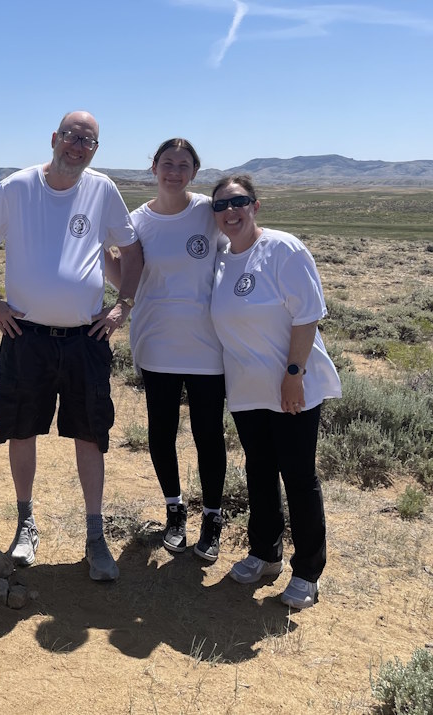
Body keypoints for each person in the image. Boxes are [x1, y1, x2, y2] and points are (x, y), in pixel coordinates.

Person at [0, 110, 143, 581]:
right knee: (22, 429)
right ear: (55, 138)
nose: (78, 147)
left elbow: (132, 250)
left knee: (90, 434)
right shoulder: (17, 187)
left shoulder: (102, 190)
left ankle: (95, 537)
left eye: (88, 141)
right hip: (26, 337)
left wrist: (123, 305)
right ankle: (25, 524)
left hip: (85, 339)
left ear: (95, 150)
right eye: (73, 136)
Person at [208, 174, 342, 609]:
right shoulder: (222, 260)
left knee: (298, 476)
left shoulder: (283, 248)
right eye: (221, 205)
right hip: (247, 389)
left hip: (291, 386)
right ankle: (265, 553)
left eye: (238, 202)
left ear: (255, 205)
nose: (230, 211)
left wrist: (293, 374)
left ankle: (307, 572)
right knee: (259, 470)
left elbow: (308, 315)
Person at [118, 139, 229, 562]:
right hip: (157, 341)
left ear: (194, 172)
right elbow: (127, 281)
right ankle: (174, 511)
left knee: (208, 434)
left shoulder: (208, 211)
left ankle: (213, 517)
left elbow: (240, 245)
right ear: (154, 167)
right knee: (161, 432)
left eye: (184, 165)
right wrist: (104, 253)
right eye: (167, 163)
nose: (174, 172)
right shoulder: (136, 222)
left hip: (207, 344)